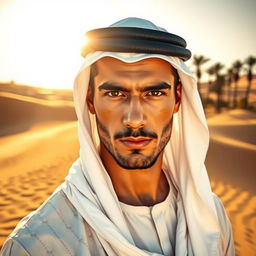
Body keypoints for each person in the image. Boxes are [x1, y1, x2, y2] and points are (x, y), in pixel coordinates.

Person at [1, 17, 235, 256]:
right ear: (90, 100)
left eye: (154, 92)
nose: (134, 118)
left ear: (177, 98)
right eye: (115, 93)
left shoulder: (211, 217)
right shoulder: (36, 244)